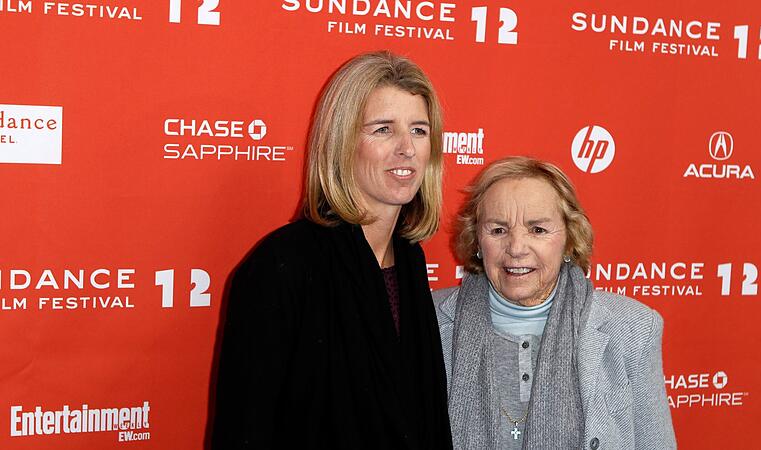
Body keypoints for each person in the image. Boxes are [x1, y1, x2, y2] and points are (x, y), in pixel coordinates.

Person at [211, 51, 452, 449]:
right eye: (383, 130)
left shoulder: (409, 257)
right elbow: (244, 431)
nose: (407, 148)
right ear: (342, 143)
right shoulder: (282, 266)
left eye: (419, 130)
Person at [433, 157, 676, 449]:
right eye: (498, 230)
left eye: (538, 230)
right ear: (476, 243)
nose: (517, 248)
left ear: (569, 240)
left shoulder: (633, 329)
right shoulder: (426, 320)